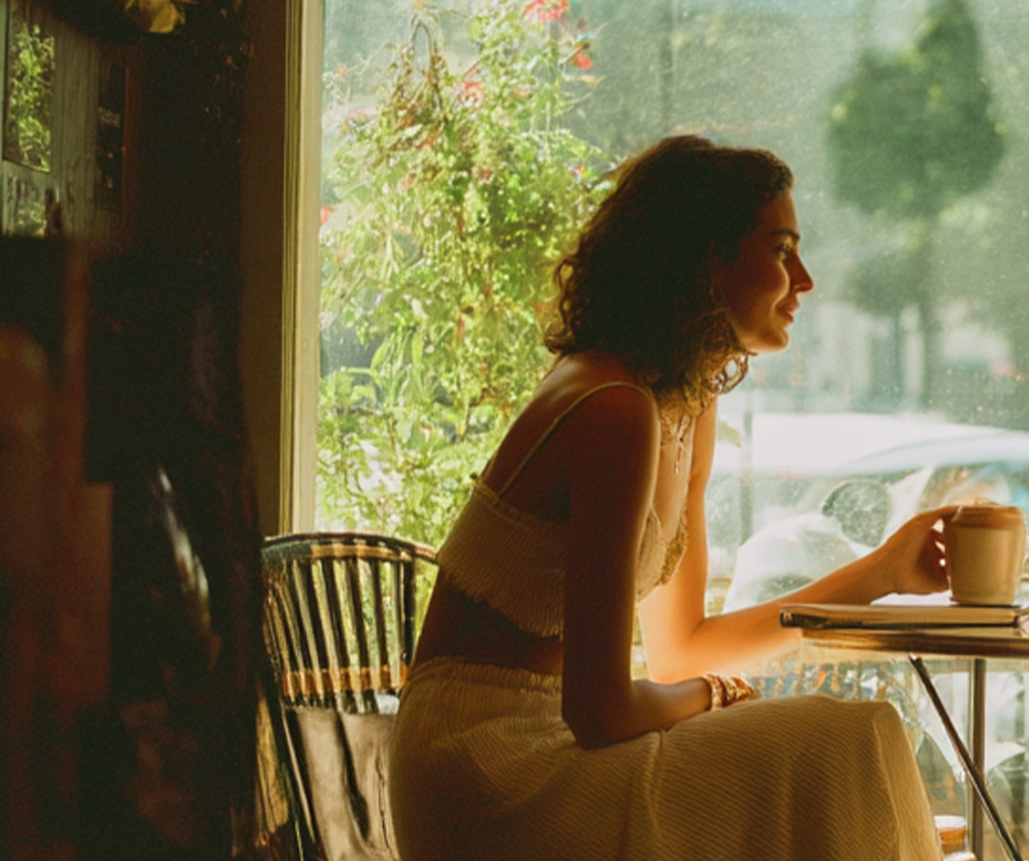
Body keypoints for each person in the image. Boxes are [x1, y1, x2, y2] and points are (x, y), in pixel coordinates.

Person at [388, 136, 953, 861]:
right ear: (707, 260)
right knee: (840, 740)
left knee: (847, 736)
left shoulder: (681, 407)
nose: (805, 279)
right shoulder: (611, 407)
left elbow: (680, 649)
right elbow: (602, 710)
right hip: (485, 770)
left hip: (557, 741)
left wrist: (881, 574)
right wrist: (712, 697)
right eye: (782, 250)